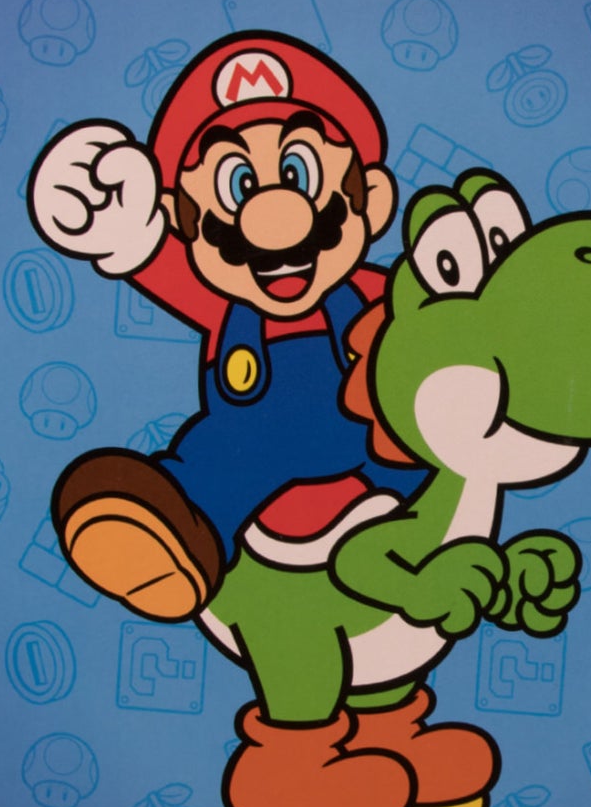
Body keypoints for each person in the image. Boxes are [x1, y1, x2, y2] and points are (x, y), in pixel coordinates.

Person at [27, 31, 425, 620]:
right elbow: (152, 257)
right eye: (237, 185)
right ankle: (171, 545)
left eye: (297, 171)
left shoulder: (379, 292)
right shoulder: (221, 302)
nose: (272, 219)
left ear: (373, 198)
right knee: (213, 455)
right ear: (180, 221)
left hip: (382, 450)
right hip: (256, 455)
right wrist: (111, 222)